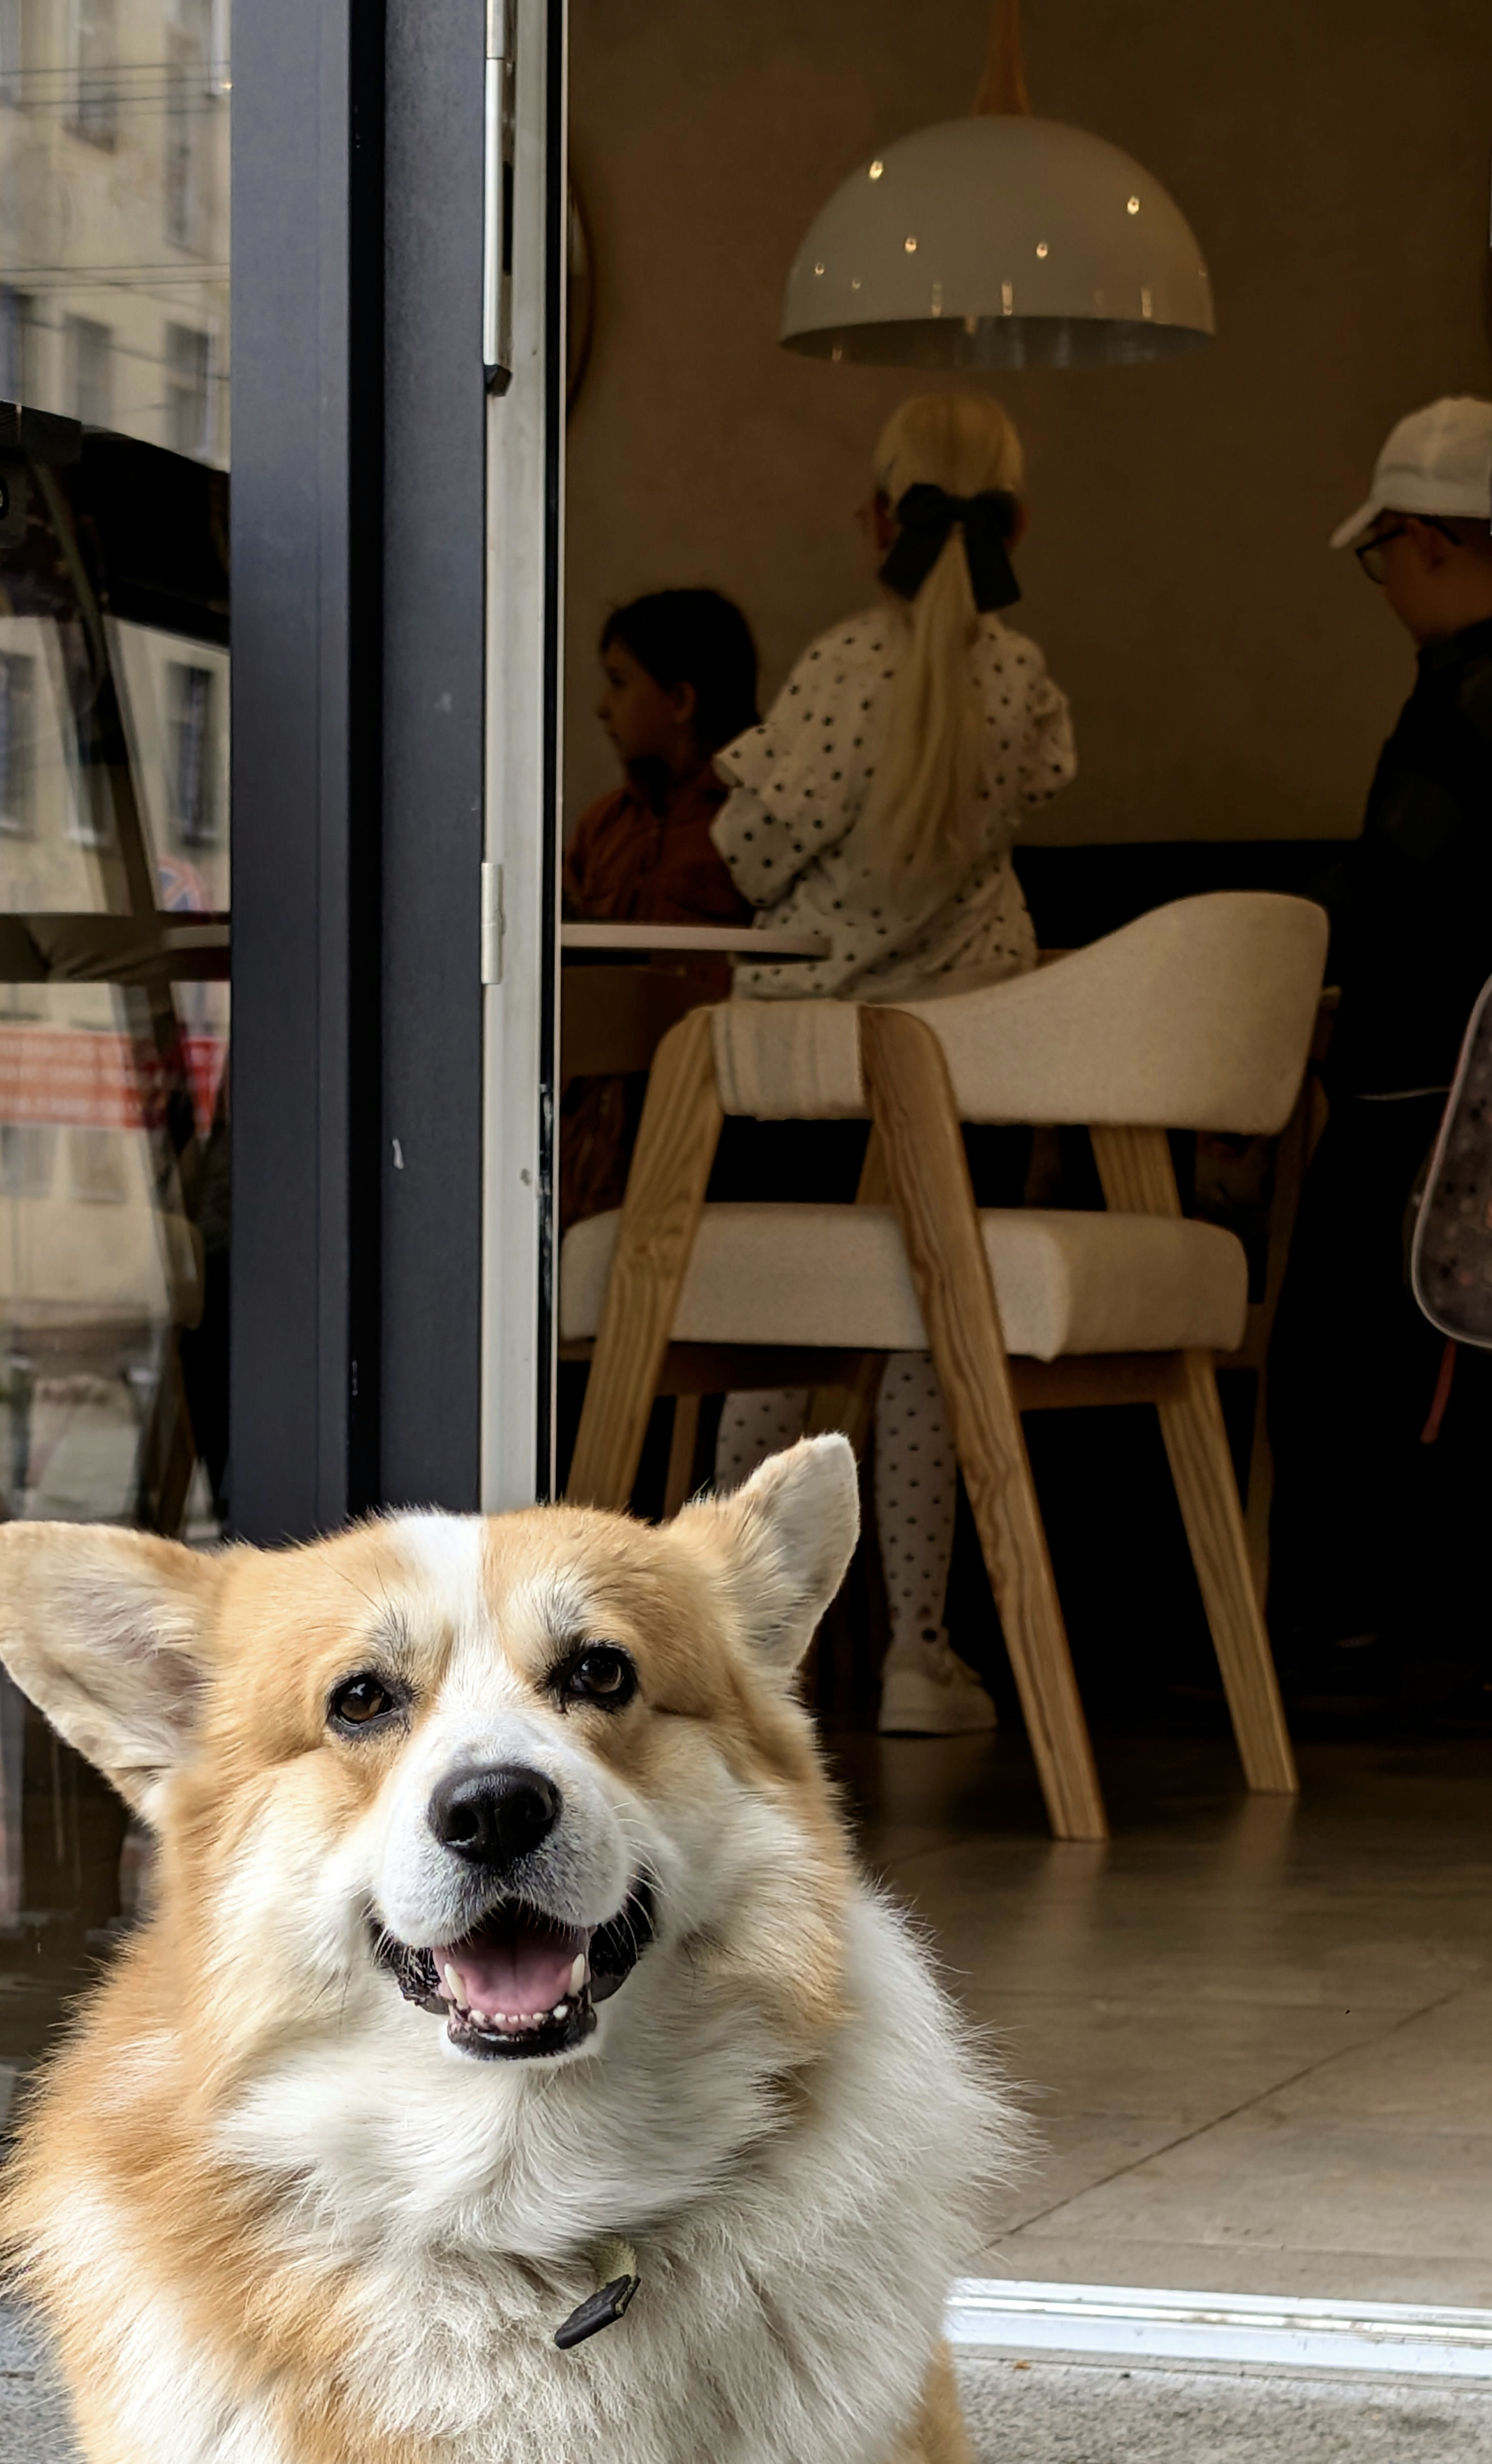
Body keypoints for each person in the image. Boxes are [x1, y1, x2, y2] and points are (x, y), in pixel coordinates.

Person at [707, 391, 1076, 1736]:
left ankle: (728, 1642)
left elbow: (749, 852)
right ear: (1012, 525)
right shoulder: (1020, 684)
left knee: (765, 1347)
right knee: (924, 1348)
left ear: (877, 518)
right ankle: (920, 1650)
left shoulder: (837, 672)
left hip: (807, 1071)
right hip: (958, 1073)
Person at [1268, 395, 1492, 1702]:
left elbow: (1389, 887)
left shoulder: (1458, 698)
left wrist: (1254, 937)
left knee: (1336, 1359)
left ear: (1417, 540)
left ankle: (1336, 1630)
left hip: (1419, 1086)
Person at [559, 588, 758, 1238]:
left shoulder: (750, 823)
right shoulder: (603, 826)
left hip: (711, 1114)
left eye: (618, 683)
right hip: (589, 1119)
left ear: (681, 700)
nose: (600, 707)